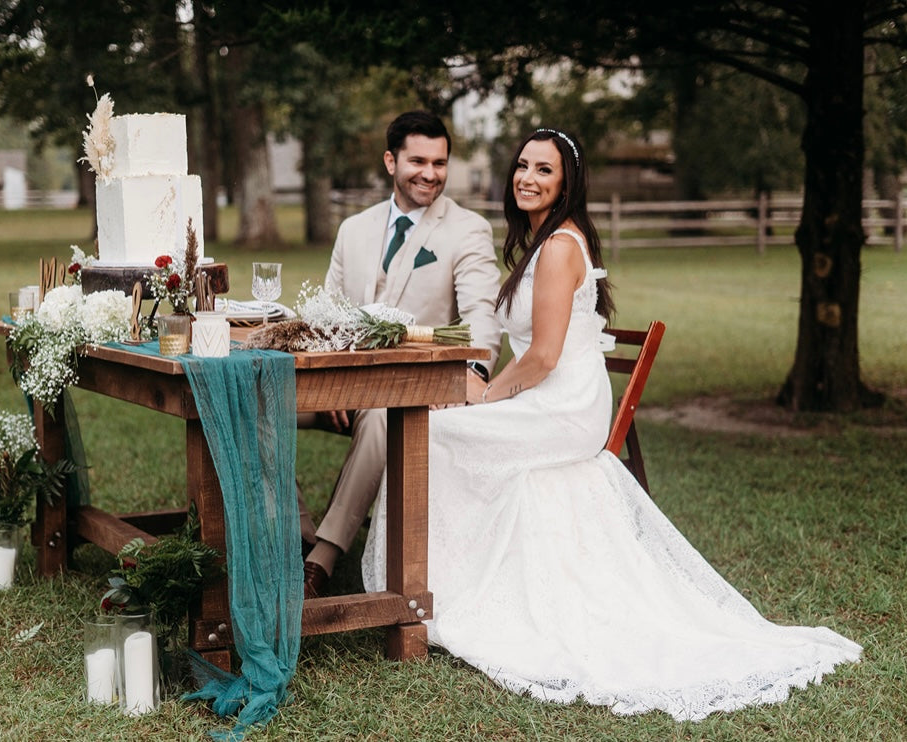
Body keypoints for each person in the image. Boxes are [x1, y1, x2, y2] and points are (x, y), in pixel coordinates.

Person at [361, 128, 861, 721]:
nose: (528, 177)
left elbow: (544, 356)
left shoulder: (559, 247)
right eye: (522, 165)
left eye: (544, 170)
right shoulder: (543, 242)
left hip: (563, 404)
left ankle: (442, 589)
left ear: (567, 183)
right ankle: (445, 578)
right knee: (434, 427)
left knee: (437, 434)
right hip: (552, 391)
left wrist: (484, 399)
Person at [300, 111, 502, 598]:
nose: (429, 173)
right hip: (338, 383)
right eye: (417, 160)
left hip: (405, 391)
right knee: (254, 405)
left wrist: (469, 373)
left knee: (380, 418)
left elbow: (481, 315)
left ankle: (320, 561)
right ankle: (295, 533)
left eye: (439, 162)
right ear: (391, 161)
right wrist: (325, 381)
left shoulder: (467, 230)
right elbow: (327, 316)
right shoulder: (354, 229)